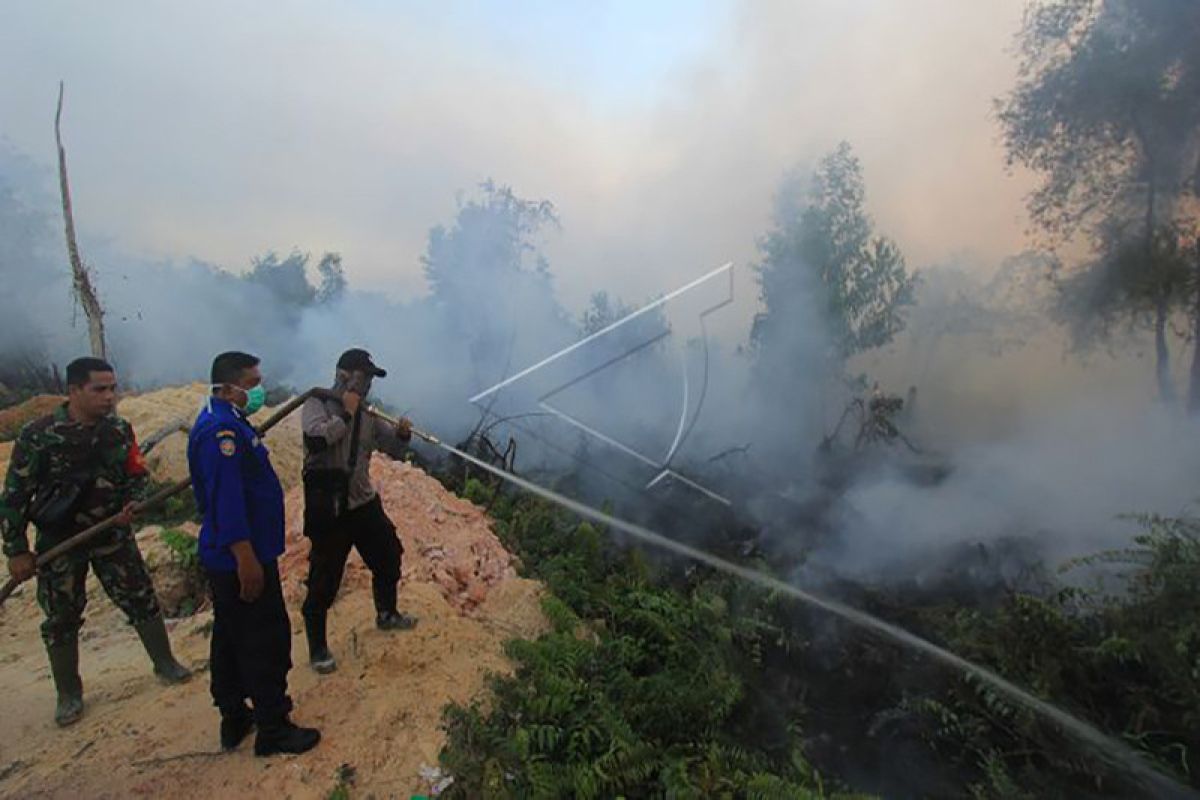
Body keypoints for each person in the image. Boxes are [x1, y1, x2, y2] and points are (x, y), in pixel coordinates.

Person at [0, 356, 191, 727]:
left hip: (112, 534)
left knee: (139, 597)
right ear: (74, 391)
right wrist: (17, 550)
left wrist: (134, 501)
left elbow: (136, 473)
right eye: (99, 389)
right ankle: (69, 694)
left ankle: (165, 663)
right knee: (61, 616)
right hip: (60, 542)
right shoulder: (38, 435)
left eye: (112, 388)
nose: (109, 397)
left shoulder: (119, 430)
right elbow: (14, 498)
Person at [187, 351, 319, 756]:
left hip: (233, 553)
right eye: (252, 382)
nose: (258, 388)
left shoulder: (224, 419)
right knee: (265, 638)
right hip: (241, 557)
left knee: (230, 636)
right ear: (229, 387)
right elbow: (227, 501)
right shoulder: (221, 432)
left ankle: (234, 715)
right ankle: (274, 727)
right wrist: (246, 558)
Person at [300, 348, 416, 674]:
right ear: (343, 375)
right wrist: (346, 415)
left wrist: (402, 436)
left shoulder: (368, 414)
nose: (367, 385)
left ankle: (387, 613)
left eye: (370, 379)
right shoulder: (317, 403)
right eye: (363, 377)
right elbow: (317, 442)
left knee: (389, 554)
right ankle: (318, 648)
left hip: (362, 501)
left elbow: (389, 446)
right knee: (324, 578)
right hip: (329, 506)